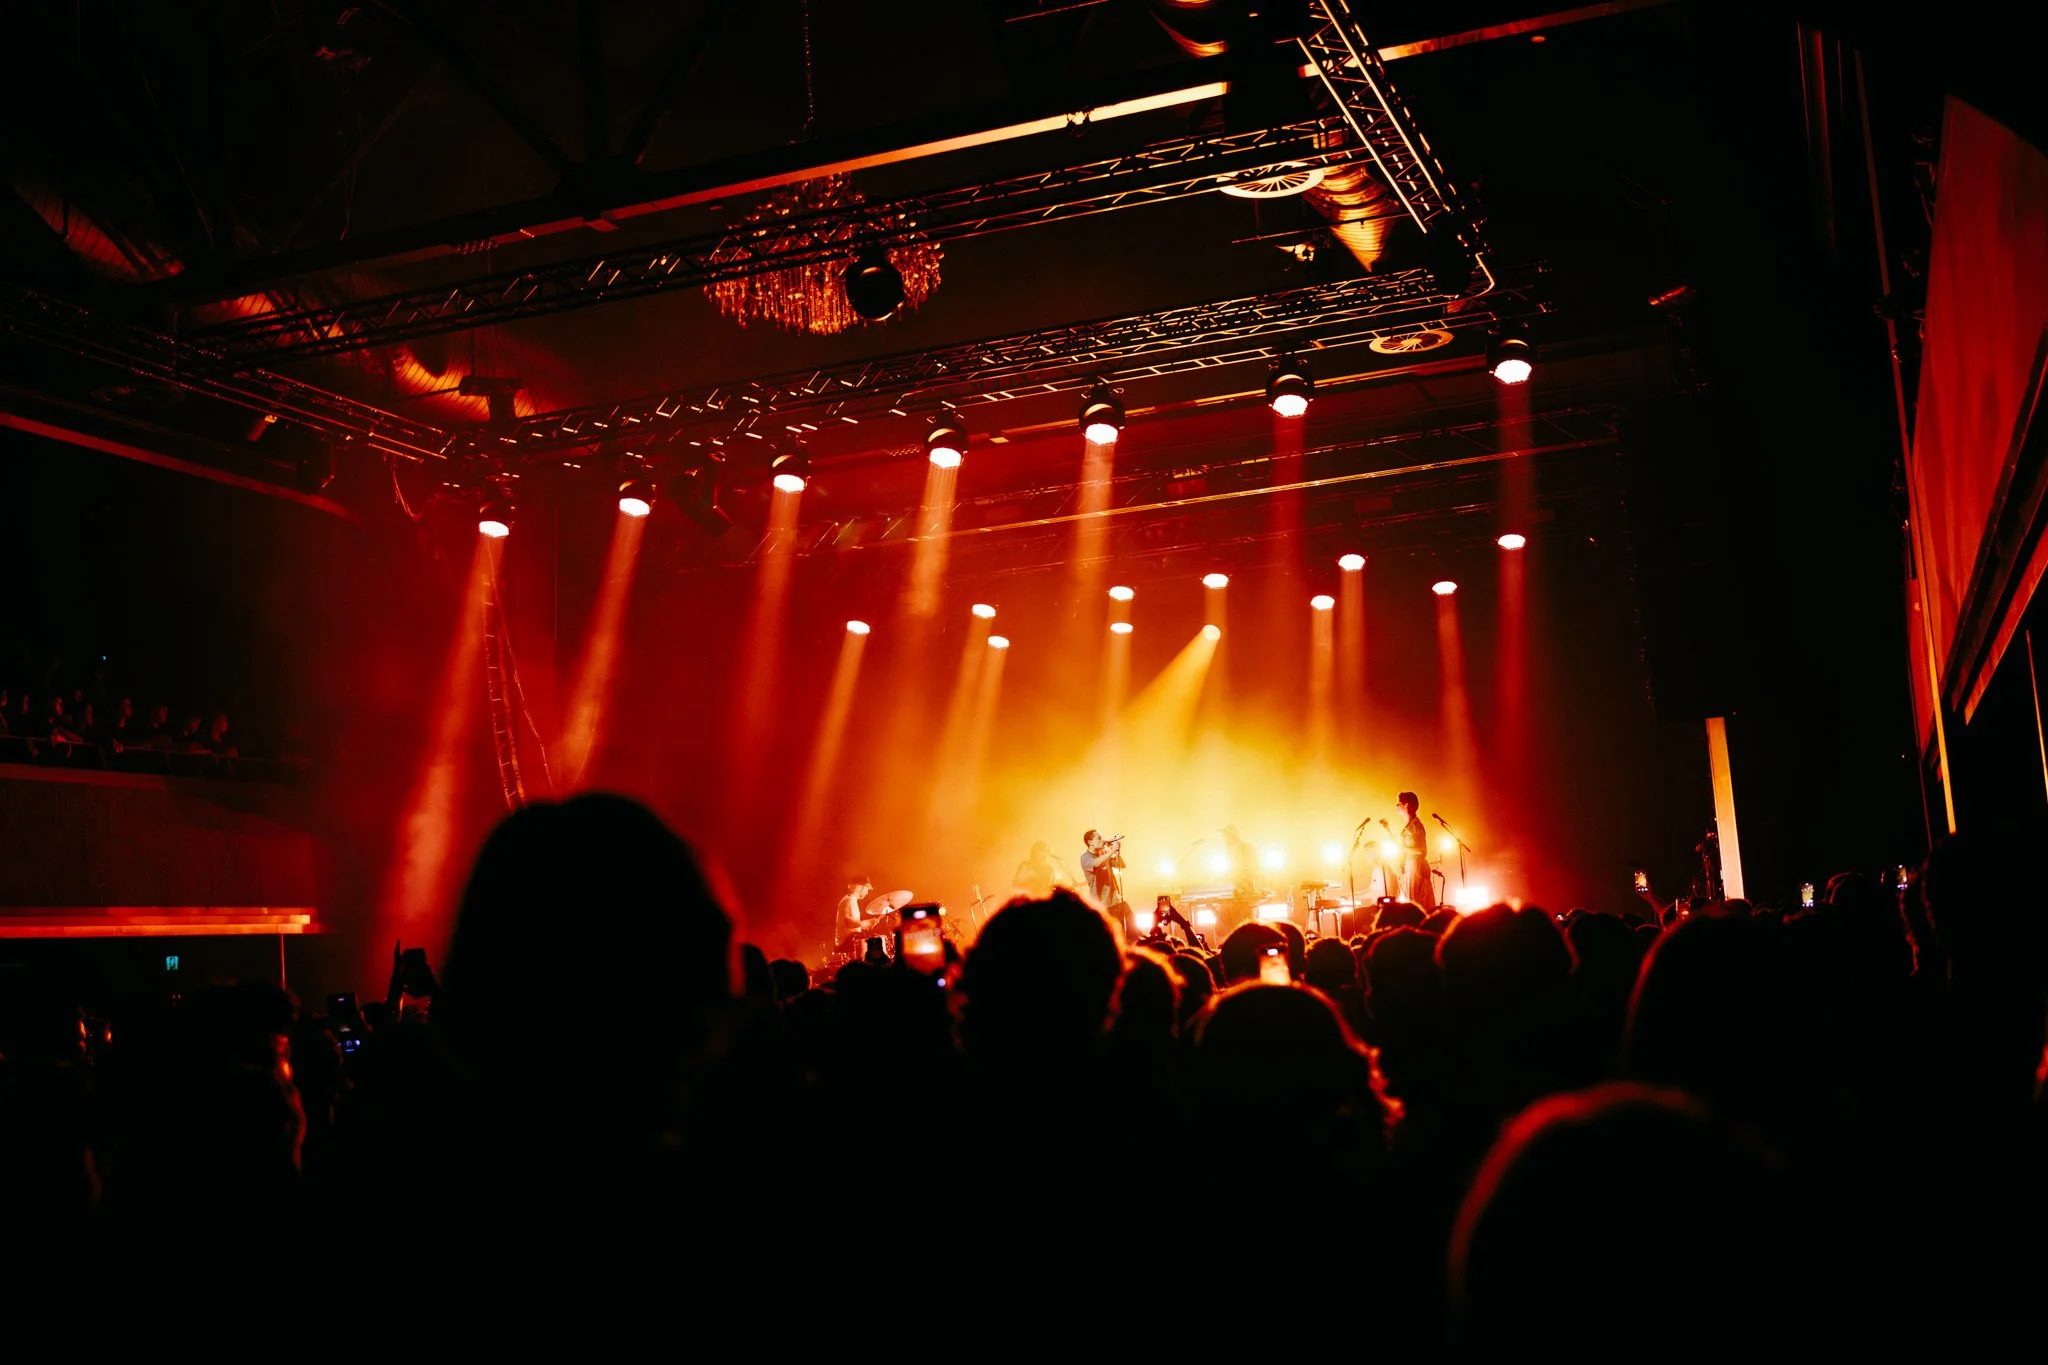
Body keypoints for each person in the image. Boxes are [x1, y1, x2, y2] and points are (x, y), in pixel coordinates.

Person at [1396, 791, 1437, 911]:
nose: (1396, 806)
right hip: (1411, 868)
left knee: (1418, 905)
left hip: (1416, 869)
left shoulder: (1415, 826)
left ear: (1406, 805)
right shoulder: (1409, 826)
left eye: (1398, 803)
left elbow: (1421, 851)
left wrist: (1401, 848)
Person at [1079, 830, 1126, 926]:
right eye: (1099, 838)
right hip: (1100, 905)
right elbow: (1097, 863)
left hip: (1114, 902)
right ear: (1090, 842)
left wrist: (1115, 852)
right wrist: (1111, 851)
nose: (1102, 840)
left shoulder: (1104, 853)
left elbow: (1122, 865)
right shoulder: (1085, 857)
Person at [835, 876, 877, 944]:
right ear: (861, 887)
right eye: (867, 889)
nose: (867, 893)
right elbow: (850, 923)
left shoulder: (850, 899)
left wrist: (866, 925)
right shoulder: (849, 900)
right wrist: (866, 923)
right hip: (846, 945)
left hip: (848, 943)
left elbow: (851, 926)